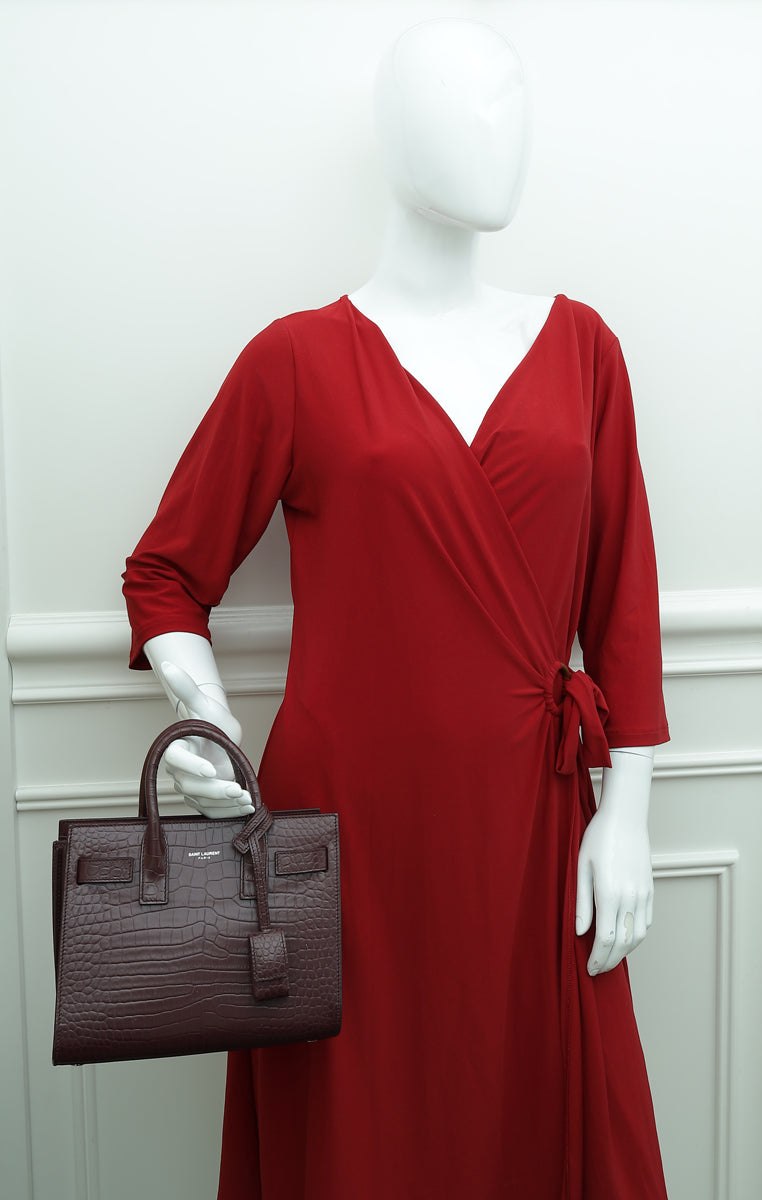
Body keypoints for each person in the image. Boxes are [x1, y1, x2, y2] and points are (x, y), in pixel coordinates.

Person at [123, 18, 669, 1199]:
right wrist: (202, 717)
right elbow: (164, 574)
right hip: (344, 829)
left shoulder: (583, 350)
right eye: (470, 104)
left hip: (531, 821)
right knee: (358, 1130)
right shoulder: (294, 360)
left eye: (514, 101)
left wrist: (627, 811)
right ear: (396, 132)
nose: (504, 133)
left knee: (531, 1101)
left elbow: (622, 602)